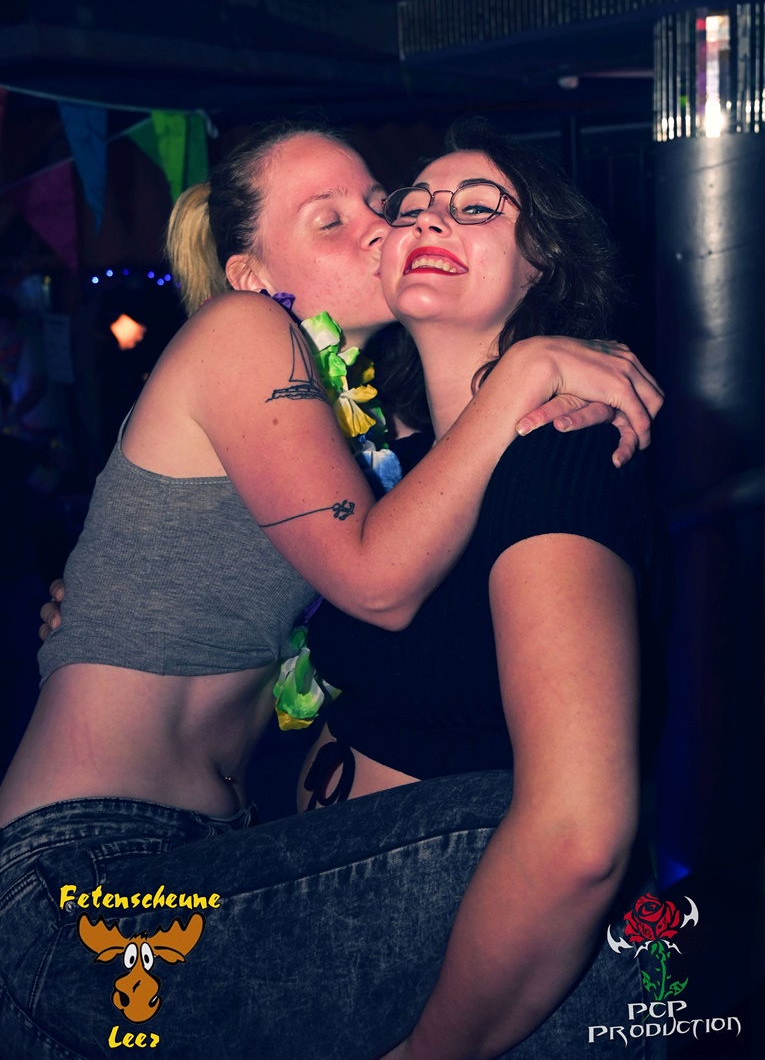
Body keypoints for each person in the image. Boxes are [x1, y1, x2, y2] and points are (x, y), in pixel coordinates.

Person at [3, 121, 662, 1060]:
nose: (383, 226)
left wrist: (555, 369)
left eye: (377, 205)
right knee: (546, 863)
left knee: (559, 881)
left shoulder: (379, 443)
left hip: (220, 846)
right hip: (90, 864)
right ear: (249, 274)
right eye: (329, 219)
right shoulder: (244, 329)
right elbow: (374, 580)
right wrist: (528, 369)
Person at [300, 121, 669, 1058]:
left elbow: (579, 837)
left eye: (476, 209)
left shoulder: (561, 450)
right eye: (413, 206)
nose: (430, 219)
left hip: (466, 970)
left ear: (546, 265)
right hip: (344, 931)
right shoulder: (393, 464)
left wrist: (434, 1050)